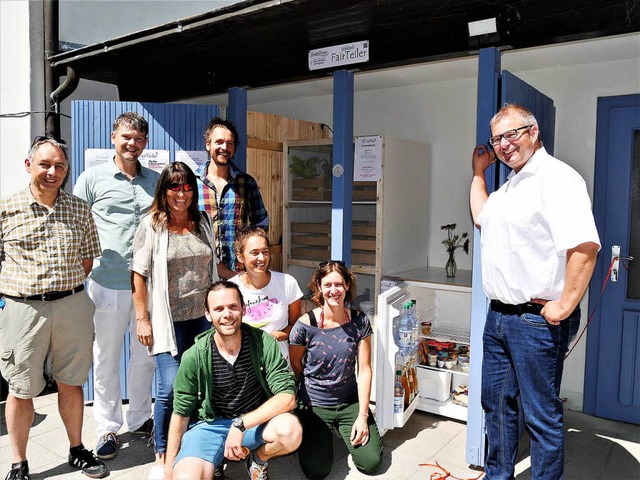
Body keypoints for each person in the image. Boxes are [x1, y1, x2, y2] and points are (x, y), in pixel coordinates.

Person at [469, 104, 600, 479]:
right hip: (498, 317)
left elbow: (585, 246)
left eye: (512, 134)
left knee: (540, 416)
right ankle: (498, 476)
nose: (505, 144)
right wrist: (478, 172)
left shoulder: (558, 179)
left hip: (534, 320)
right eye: (497, 139)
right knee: (495, 406)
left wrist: (564, 304)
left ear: (534, 132)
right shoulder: (509, 187)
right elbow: (482, 218)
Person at [0, 136, 107, 479]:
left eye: (59, 165)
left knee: (72, 382)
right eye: (45, 163)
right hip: (23, 309)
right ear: (28, 165)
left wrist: (65, 288)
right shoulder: (6, 209)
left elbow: (88, 258)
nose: (52, 171)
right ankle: (19, 463)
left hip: (72, 304)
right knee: (20, 388)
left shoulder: (78, 208)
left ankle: (77, 449)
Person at [73, 111, 158, 460]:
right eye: (126, 137)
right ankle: (107, 427)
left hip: (147, 284)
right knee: (105, 358)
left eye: (138, 139)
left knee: (146, 357)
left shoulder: (155, 180)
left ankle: (139, 418)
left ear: (145, 143)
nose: (132, 144)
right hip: (106, 282)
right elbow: (76, 225)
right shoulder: (91, 178)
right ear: (113, 137)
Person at [130, 162, 219, 479]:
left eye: (187, 187)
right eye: (174, 186)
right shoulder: (151, 224)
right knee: (169, 388)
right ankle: (162, 452)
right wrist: (143, 319)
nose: (181, 193)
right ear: (164, 191)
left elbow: (212, 267)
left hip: (203, 321)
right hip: (168, 322)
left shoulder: (203, 221)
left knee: (202, 387)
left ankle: (194, 446)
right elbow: (138, 274)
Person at [165, 280, 302, 480]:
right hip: (210, 426)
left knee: (291, 431)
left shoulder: (264, 343)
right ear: (208, 314)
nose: (227, 314)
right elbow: (180, 413)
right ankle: (215, 460)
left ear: (243, 309)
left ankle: (258, 459)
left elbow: (287, 397)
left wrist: (240, 424)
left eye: (233, 307)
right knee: (186, 477)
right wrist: (169, 469)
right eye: (218, 309)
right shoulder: (194, 356)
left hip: (254, 422)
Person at [289, 260, 383, 480]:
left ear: (348, 286)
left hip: (349, 401)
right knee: (317, 472)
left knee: (371, 463)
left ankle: (343, 427)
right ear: (319, 288)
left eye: (339, 284)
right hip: (315, 403)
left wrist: (363, 414)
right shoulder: (305, 325)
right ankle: (311, 429)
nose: (334, 291)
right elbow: (296, 364)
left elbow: (365, 369)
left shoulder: (360, 321)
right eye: (328, 285)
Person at [198, 117, 269, 278]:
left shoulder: (246, 182)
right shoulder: (192, 184)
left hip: (238, 272)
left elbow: (261, 222)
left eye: (229, 143)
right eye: (219, 142)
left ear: (234, 149)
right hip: (202, 273)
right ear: (208, 144)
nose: (224, 147)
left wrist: (250, 255)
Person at [229, 226, 303, 364]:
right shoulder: (230, 289)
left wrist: (275, 336)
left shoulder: (288, 283)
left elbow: (297, 326)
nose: (261, 258)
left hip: (279, 364)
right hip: (244, 365)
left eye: (265, 252)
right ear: (240, 257)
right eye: (254, 253)